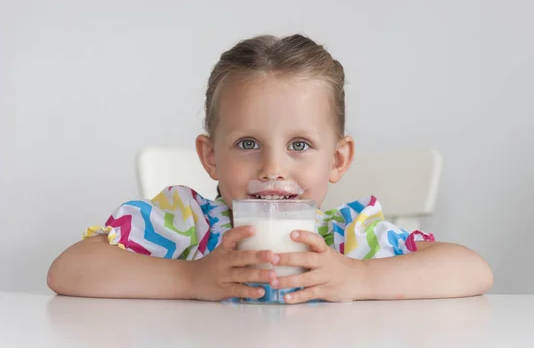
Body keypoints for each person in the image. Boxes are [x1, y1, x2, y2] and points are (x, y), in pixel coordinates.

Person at [47, 34, 493, 304]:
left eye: (299, 144)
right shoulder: (184, 225)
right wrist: (190, 278)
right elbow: (68, 269)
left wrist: (358, 277)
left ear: (336, 160)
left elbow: (473, 270)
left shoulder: (347, 237)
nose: (273, 167)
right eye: (247, 144)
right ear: (211, 158)